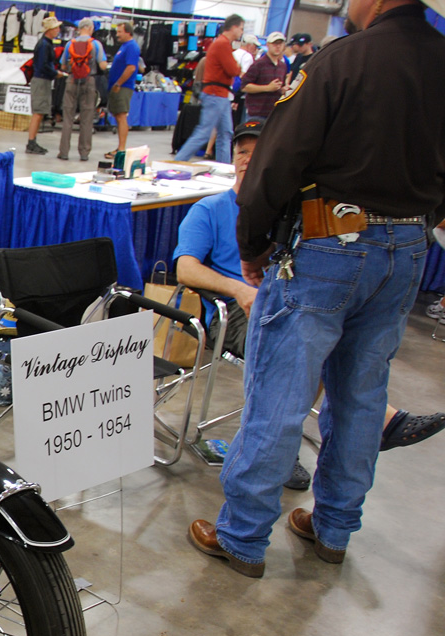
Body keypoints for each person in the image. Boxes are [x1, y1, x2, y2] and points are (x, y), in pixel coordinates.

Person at [188, 0, 445, 578]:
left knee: (281, 389)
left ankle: (244, 535)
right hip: (407, 248)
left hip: (330, 245)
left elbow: (278, 158)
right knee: (362, 392)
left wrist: (252, 244)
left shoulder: (341, 60)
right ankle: (334, 527)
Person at [175, 120, 445, 492]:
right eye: (241, 152)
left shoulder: (287, 210)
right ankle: (370, 422)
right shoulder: (210, 208)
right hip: (235, 306)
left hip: (288, 297)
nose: (247, 160)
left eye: (257, 152)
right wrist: (239, 289)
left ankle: (281, 450)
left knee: (325, 331)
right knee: (306, 342)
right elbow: (185, 268)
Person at [175, 14, 242, 163]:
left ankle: (224, 167)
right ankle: (178, 161)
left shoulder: (222, 43)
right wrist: (238, 67)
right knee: (204, 132)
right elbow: (233, 70)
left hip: (221, 95)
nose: (241, 32)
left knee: (225, 132)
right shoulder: (223, 44)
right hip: (215, 94)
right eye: (241, 29)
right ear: (234, 27)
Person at [56, 18, 106, 163]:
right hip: (89, 81)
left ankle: (64, 151)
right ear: (90, 28)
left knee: (67, 118)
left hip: (71, 81)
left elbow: (63, 66)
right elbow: (102, 66)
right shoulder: (96, 44)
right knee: (87, 117)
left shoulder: (69, 44)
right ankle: (84, 152)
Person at [25, 14, 60, 155]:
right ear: (49, 30)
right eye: (56, 28)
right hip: (41, 80)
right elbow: (42, 65)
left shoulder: (46, 43)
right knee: (38, 112)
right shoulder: (44, 45)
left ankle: (32, 141)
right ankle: (31, 142)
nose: (58, 30)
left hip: (42, 80)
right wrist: (55, 73)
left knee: (39, 112)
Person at [105, 21, 139, 160]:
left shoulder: (131, 47)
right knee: (118, 115)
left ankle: (121, 149)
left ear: (128, 32)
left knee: (121, 116)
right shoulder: (124, 46)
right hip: (117, 86)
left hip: (123, 87)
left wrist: (119, 83)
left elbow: (131, 68)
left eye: (120, 32)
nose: (117, 35)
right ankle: (120, 148)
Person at [240, 31, 288, 121]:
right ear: (268, 45)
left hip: (274, 114)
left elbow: (281, 86)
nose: (278, 46)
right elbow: (244, 86)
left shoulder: (282, 66)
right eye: (275, 43)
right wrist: (267, 88)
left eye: (280, 44)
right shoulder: (259, 64)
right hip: (257, 113)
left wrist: (283, 89)